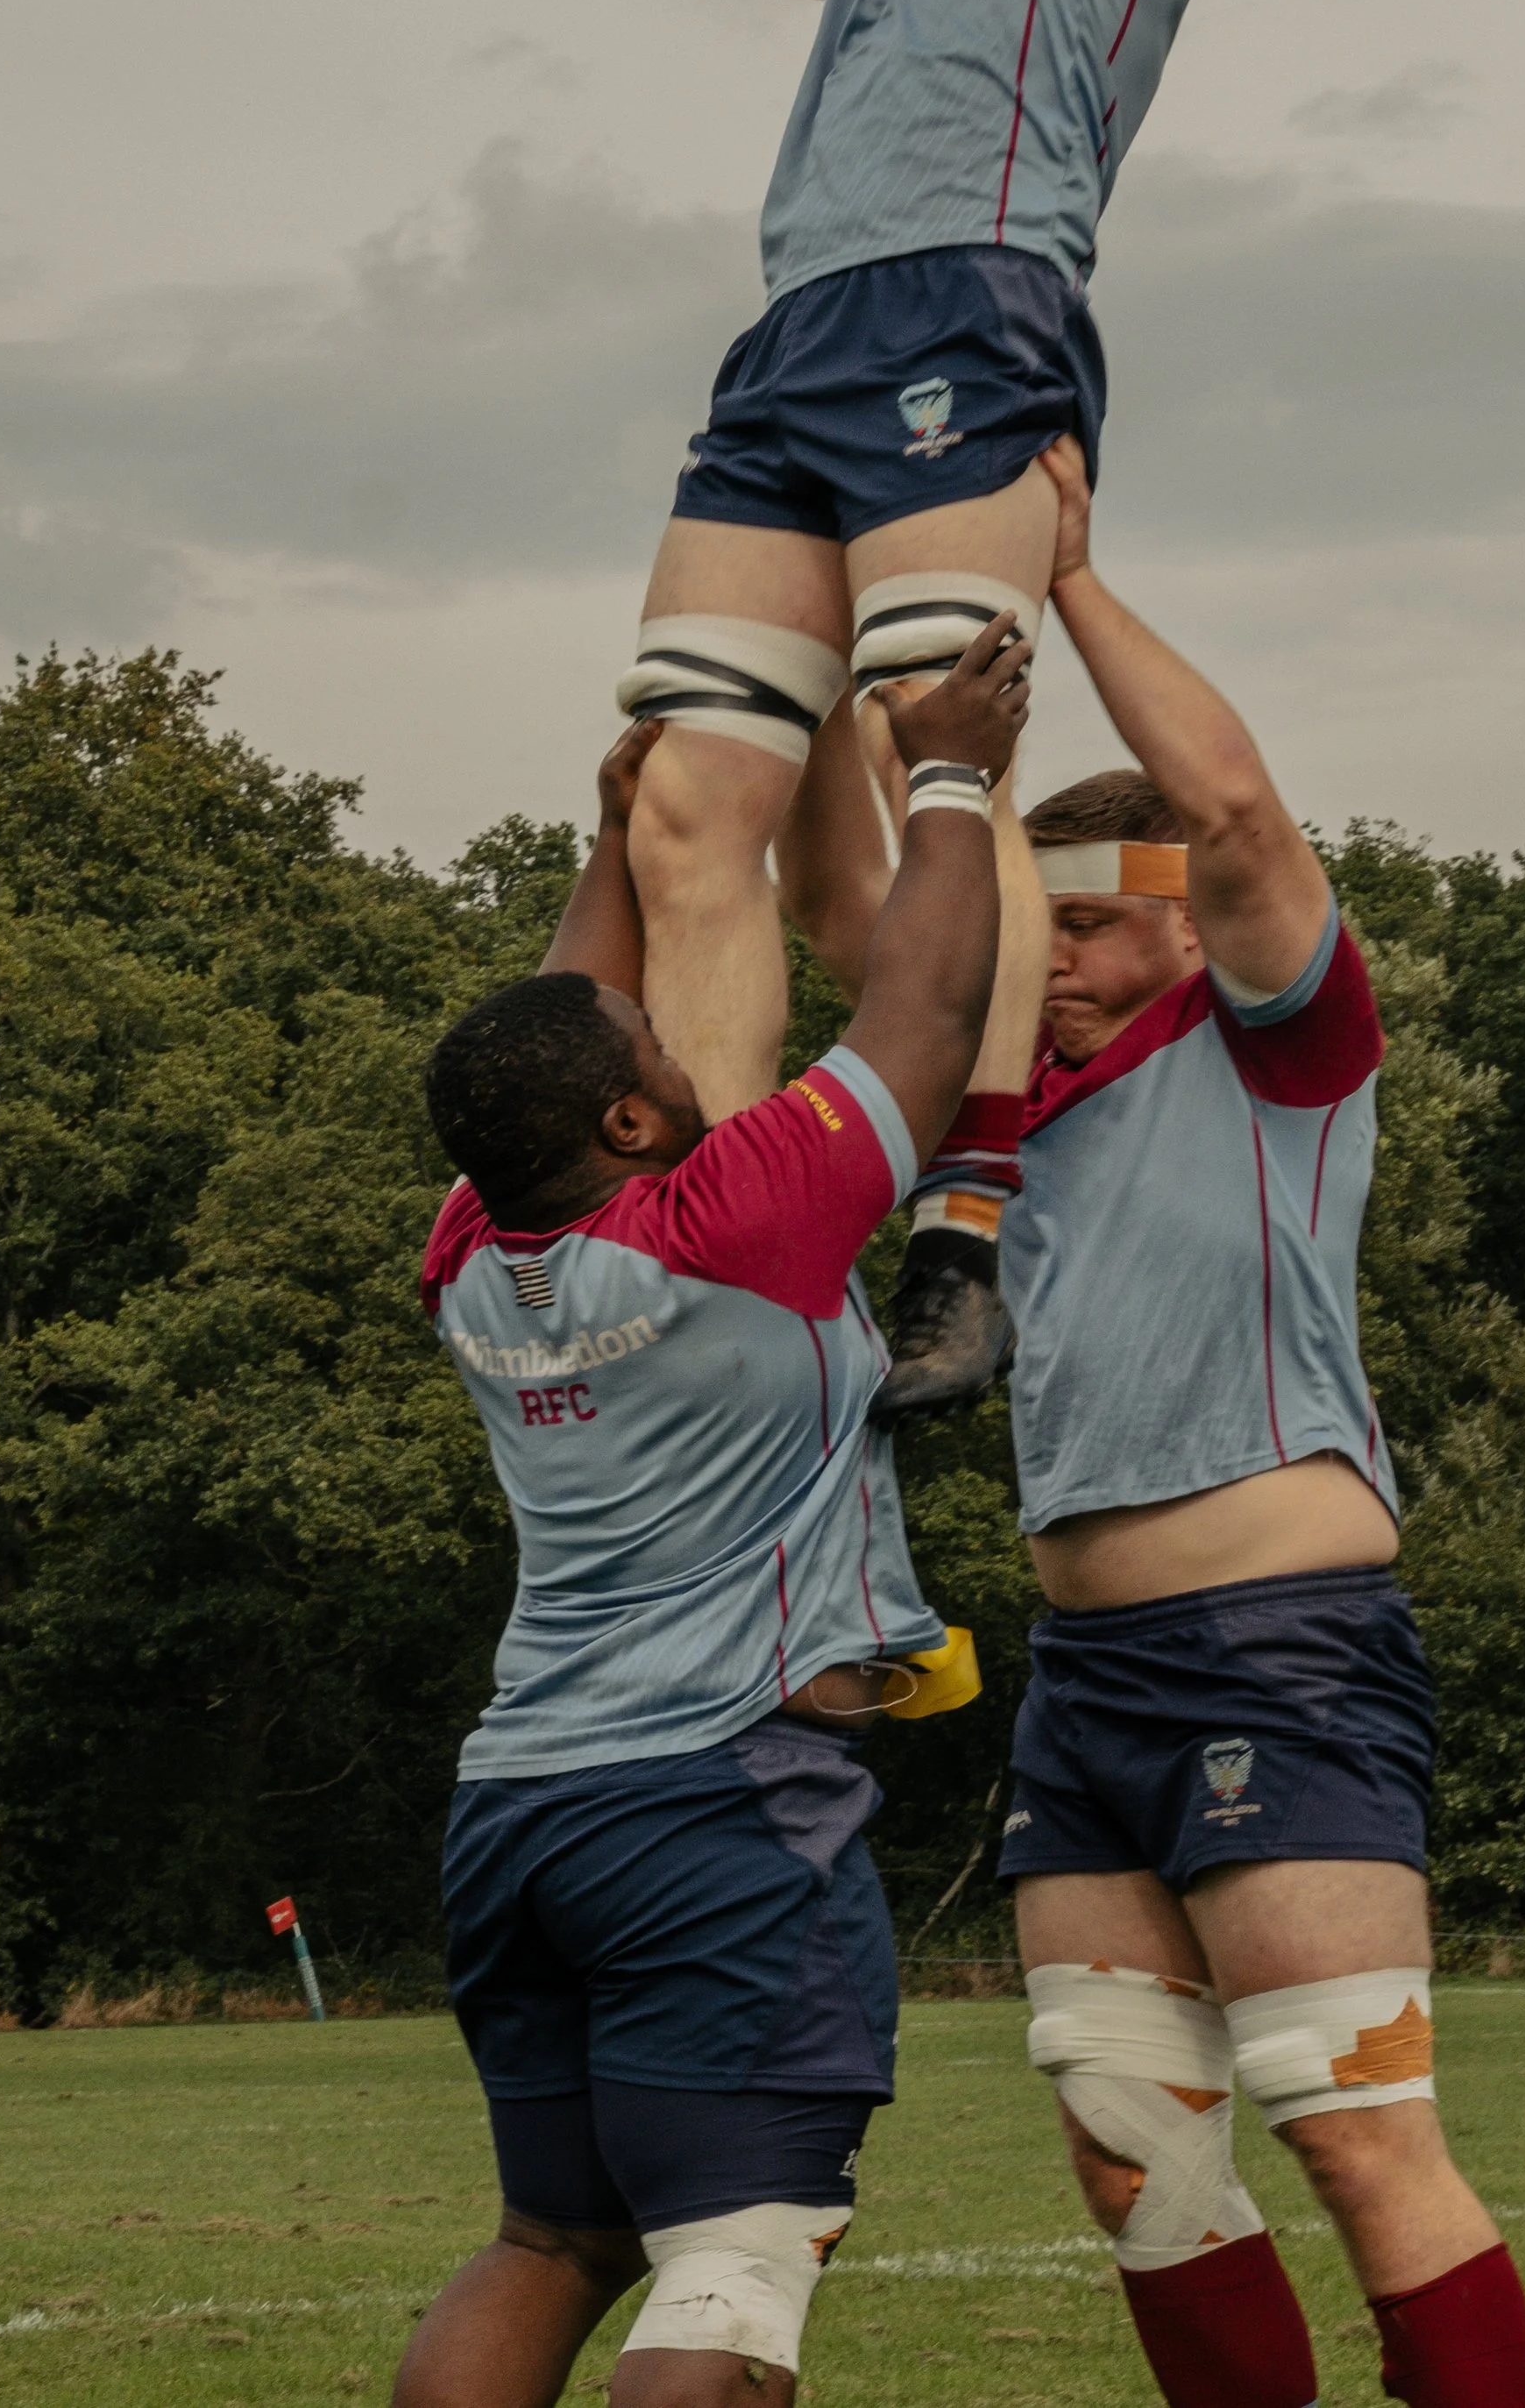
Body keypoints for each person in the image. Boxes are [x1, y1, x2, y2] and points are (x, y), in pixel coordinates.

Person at [609, 0, 1210, 1279]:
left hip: (972, 311)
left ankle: (963, 1208)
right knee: (690, 806)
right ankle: (723, 1243)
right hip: (793, 344)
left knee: (927, 745)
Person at [392, 615, 1028, 2408]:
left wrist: (618, 843)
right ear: (625, 1115)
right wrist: (955, 769)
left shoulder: (472, 1256)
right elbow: (917, 1010)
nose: (679, 1049)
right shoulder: (727, 1216)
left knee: (550, 2242)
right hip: (712, 1808)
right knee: (738, 2265)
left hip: (519, 1806)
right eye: (652, 1051)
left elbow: (533, 1047)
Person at [983, 439, 1525, 2408]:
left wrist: (1060, 581)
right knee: (1126, 2143)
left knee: (1342, 2119)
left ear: (1168, 919)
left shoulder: (1274, 1046)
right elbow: (855, 900)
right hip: (1088, 1677)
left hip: (1271, 1653)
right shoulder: (1010, 1113)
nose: (1043, 952)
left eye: (1077, 918)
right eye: (1022, 923)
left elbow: (1222, 806)